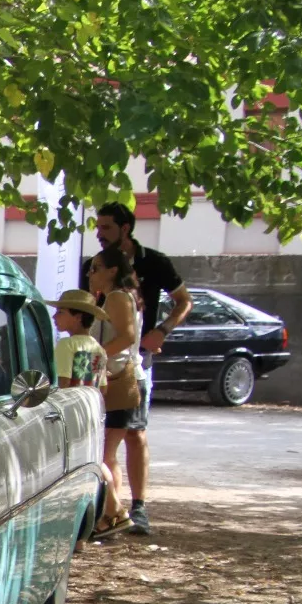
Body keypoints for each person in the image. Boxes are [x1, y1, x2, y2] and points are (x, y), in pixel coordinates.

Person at [84, 202, 192, 535]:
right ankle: (110, 512)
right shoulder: (99, 269)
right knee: (109, 443)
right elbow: (87, 309)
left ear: (125, 228)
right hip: (115, 365)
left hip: (130, 365)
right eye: (97, 228)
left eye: (106, 228)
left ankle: (133, 508)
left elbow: (183, 301)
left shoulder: (153, 263)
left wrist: (163, 330)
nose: (99, 234)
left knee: (132, 435)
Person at [50, 289, 125, 534]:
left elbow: (63, 384)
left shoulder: (66, 345)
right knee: (95, 462)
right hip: (92, 411)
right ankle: (112, 511)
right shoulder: (97, 348)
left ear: (78, 317)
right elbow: (102, 387)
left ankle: (114, 510)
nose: (55, 316)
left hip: (73, 415)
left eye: (61, 312)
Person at [88, 246, 142, 538]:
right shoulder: (110, 297)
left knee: (105, 455)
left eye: (95, 268)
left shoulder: (118, 297)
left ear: (112, 271)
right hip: (113, 378)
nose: (90, 274)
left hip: (119, 380)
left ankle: (114, 514)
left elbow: (128, 337)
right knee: (107, 454)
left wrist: (93, 356)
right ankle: (109, 515)